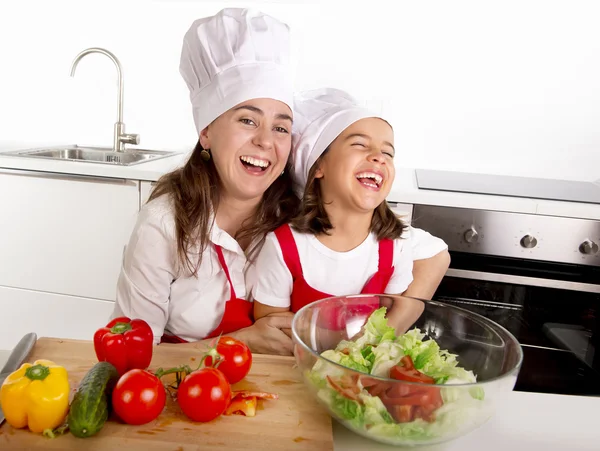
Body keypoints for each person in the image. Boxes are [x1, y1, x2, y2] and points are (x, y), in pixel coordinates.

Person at [111, 8, 300, 355]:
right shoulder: (163, 224)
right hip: (176, 391)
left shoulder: (299, 218)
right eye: (247, 120)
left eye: (281, 127)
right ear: (207, 132)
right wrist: (241, 343)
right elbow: (128, 354)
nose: (265, 141)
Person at [251, 88, 449, 333]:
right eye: (360, 144)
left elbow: (388, 327)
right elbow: (271, 330)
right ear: (319, 166)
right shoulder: (283, 247)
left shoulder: (395, 249)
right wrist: (343, 350)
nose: (379, 157)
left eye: (388, 152)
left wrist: (361, 351)